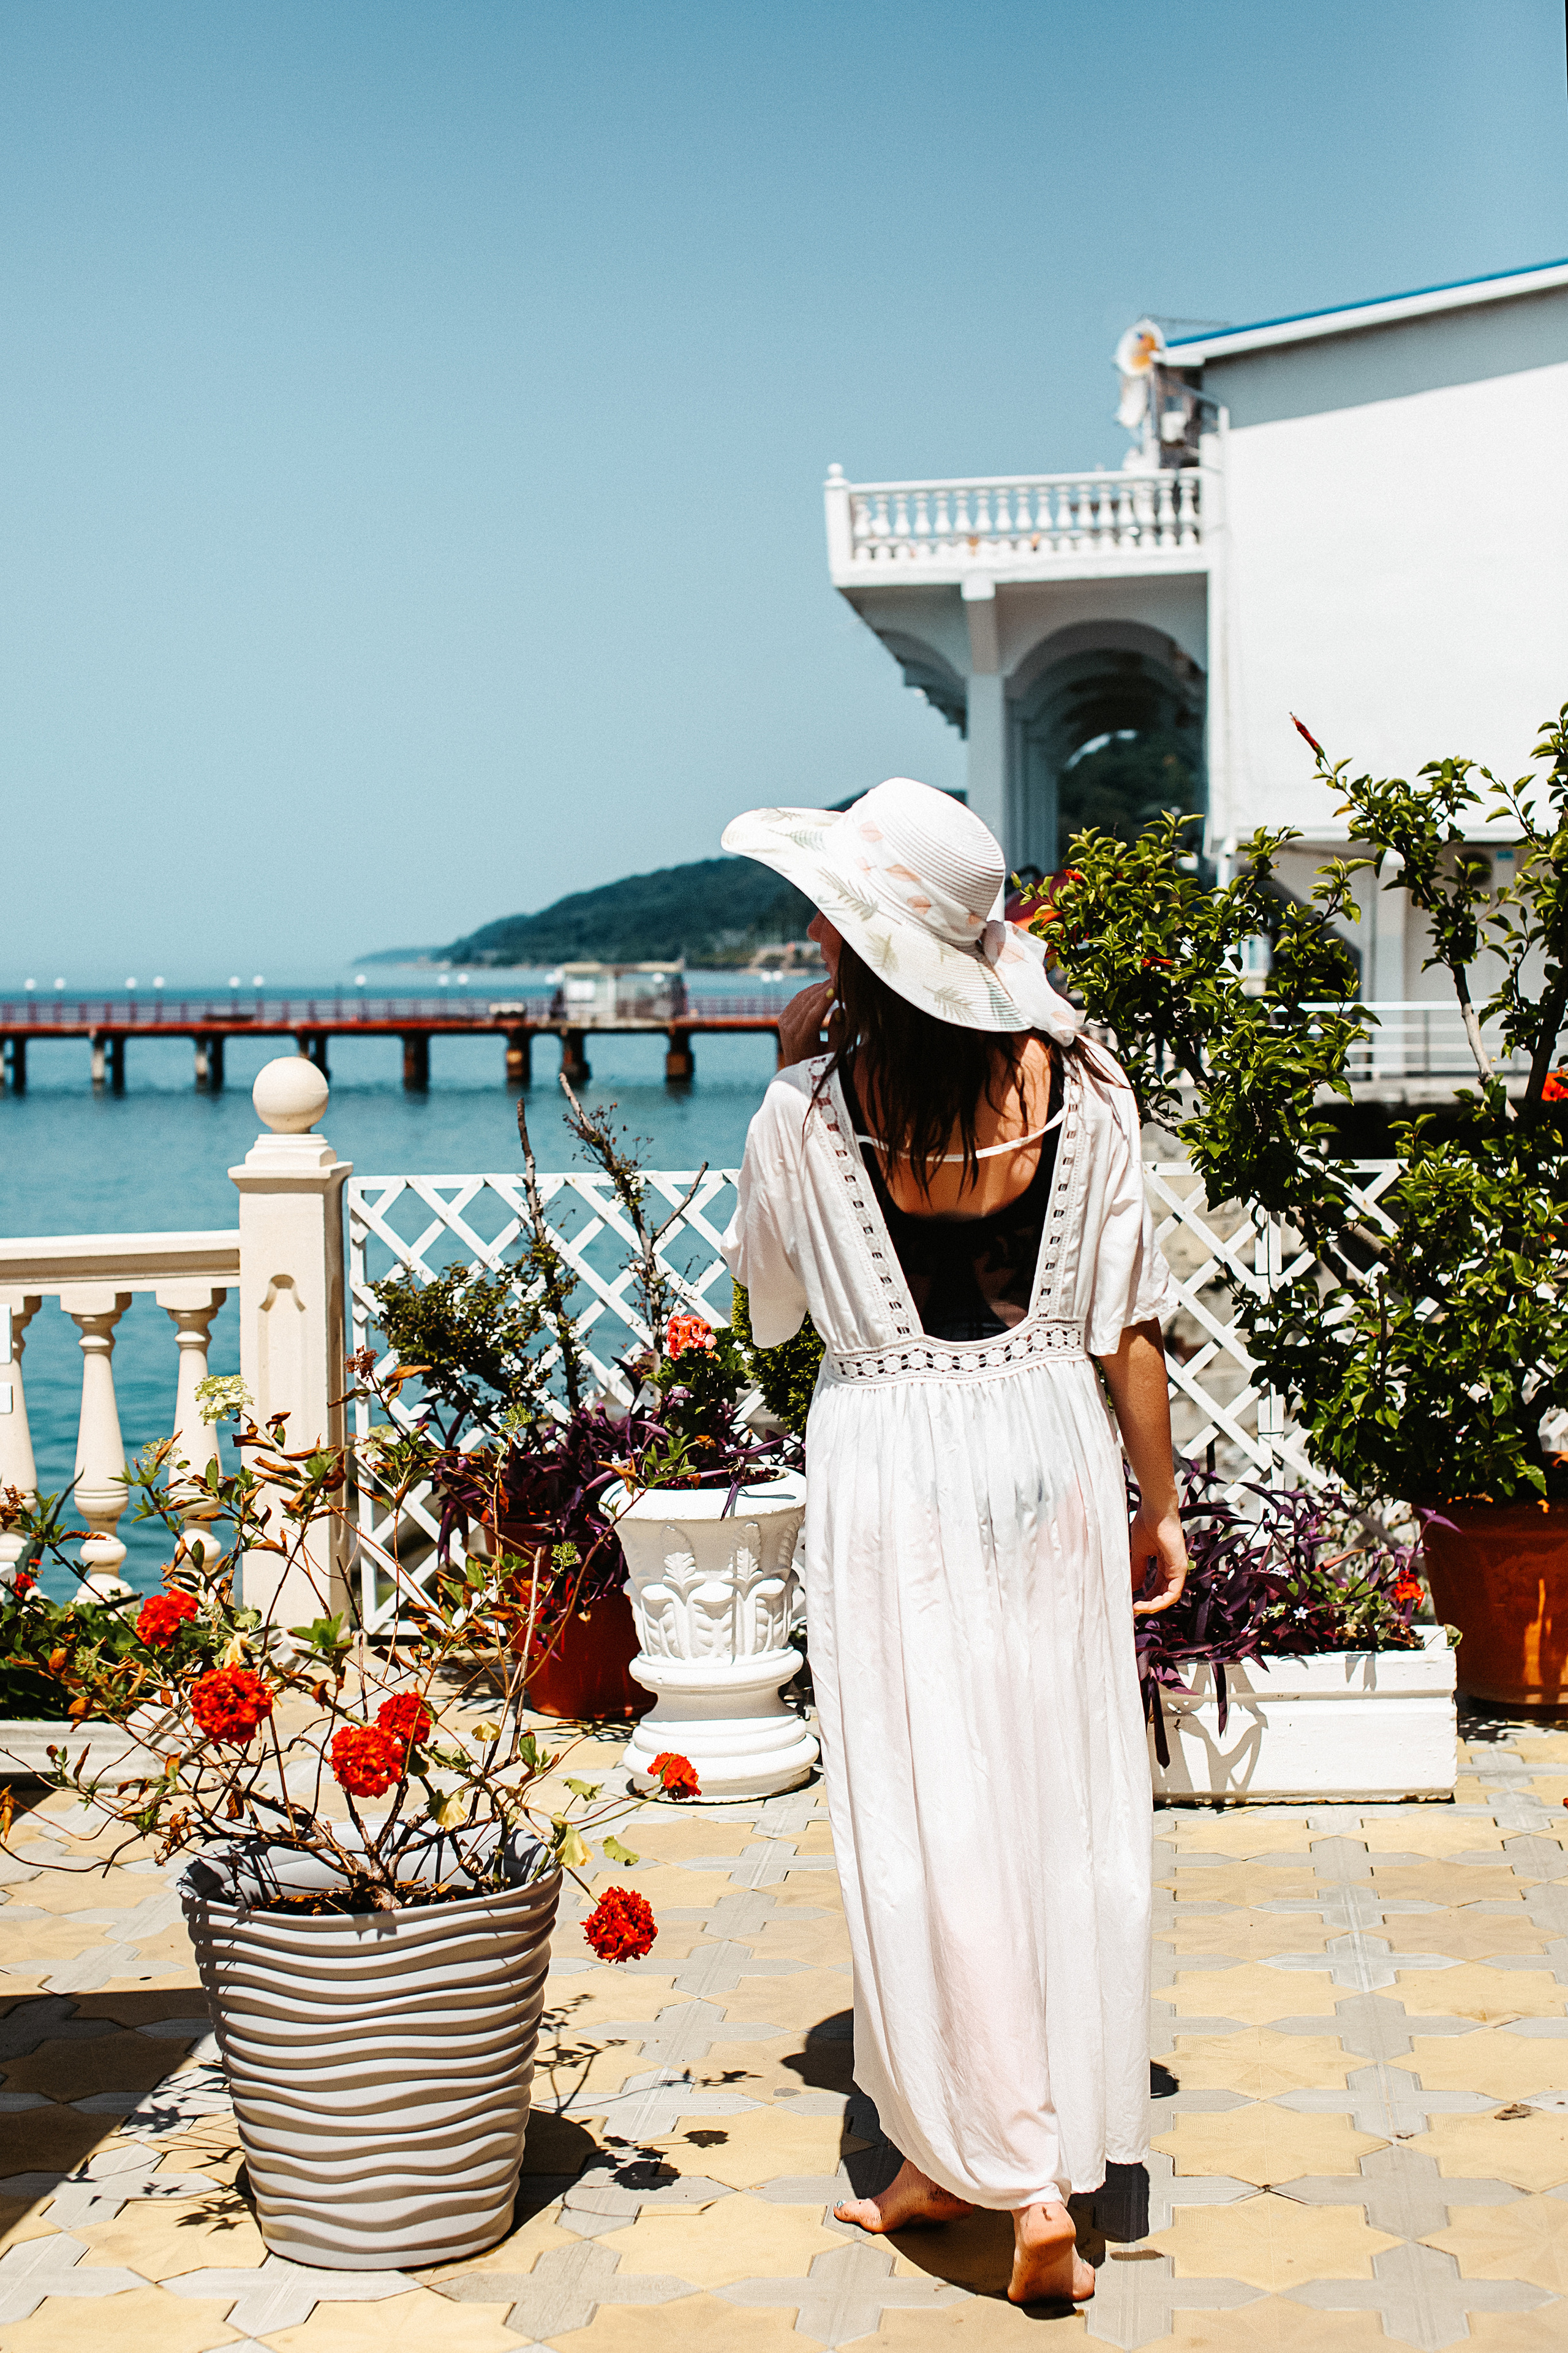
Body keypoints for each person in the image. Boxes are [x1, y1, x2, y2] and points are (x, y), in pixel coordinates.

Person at [718, 777, 1188, 2308]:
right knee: (1051, 1787)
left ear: (858, 938)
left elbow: (770, 1307)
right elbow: (1127, 1326)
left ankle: (1000, 2163)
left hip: (889, 1461)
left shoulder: (801, 1108)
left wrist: (798, 1072)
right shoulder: (1091, 1094)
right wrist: (1159, 1504)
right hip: (1047, 1442)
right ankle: (989, 2151)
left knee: (927, 1810)